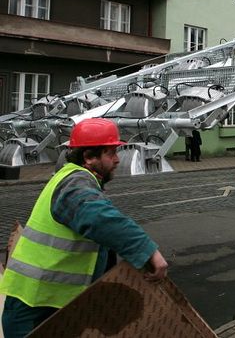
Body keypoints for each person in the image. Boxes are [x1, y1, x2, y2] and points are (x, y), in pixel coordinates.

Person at [0, 118, 168, 337]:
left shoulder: (73, 177)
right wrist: (148, 252)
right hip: (33, 305)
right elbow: (101, 219)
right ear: (89, 157)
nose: (117, 160)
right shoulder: (75, 183)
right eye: (111, 153)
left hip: (46, 299)